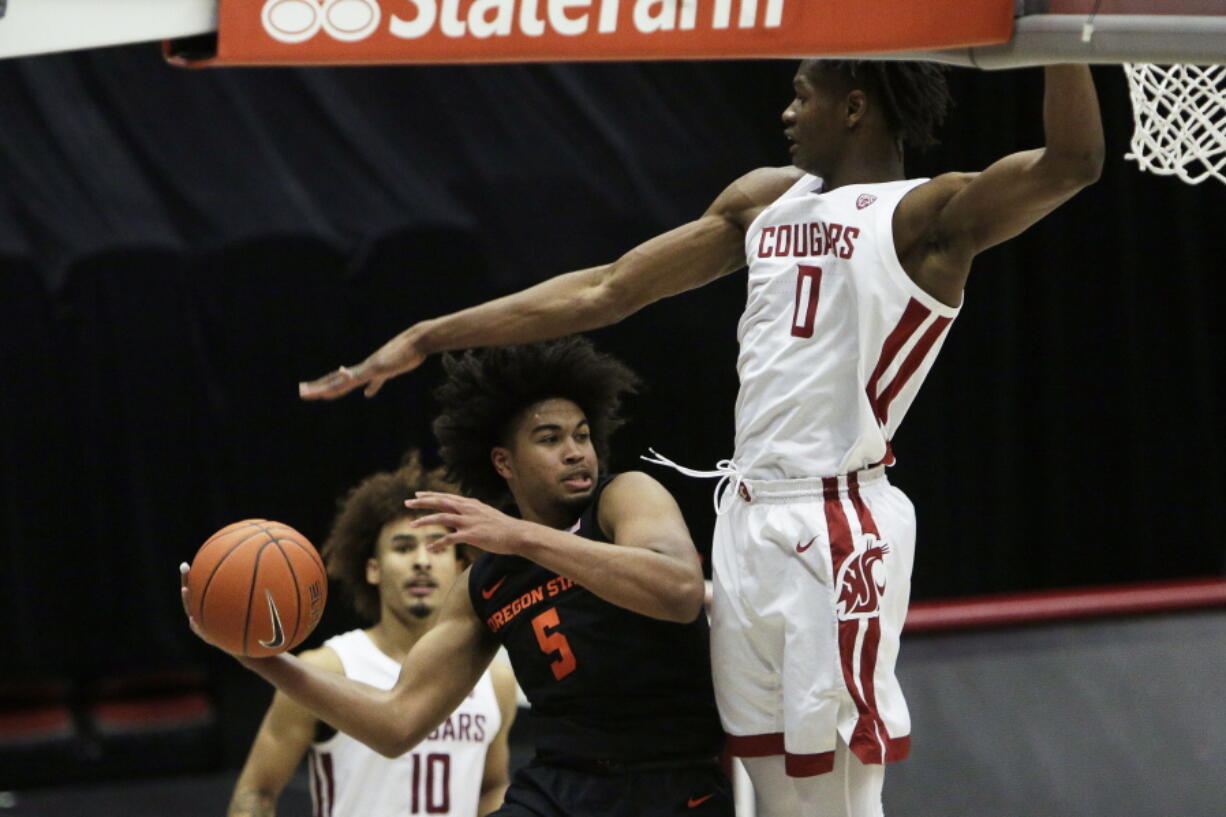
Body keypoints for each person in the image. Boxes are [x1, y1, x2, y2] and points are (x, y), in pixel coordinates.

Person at [296, 60, 1104, 817]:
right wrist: (433, 335)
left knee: (840, 793)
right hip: (745, 519)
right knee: (765, 784)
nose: (787, 111)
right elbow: (607, 288)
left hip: (836, 520)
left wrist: (1070, 39)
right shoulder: (763, 201)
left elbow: (1072, 163)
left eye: (803, 92)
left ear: (854, 106)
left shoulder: (927, 217)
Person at [187, 337, 733, 817]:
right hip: (563, 786)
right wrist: (254, 655)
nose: (575, 452)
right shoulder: (487, 584)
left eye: (582, 435)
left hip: (670, 777)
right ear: (503, 461)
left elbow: (679, 592)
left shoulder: (623, 498)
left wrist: (522, 536)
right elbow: (398, 723)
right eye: (550, 439)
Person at [224, 453, 518, 817]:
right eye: (404, 546)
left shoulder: (495, 678)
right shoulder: (328, 667)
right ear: (373, 570)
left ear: (461, 566)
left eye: (437, 545)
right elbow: (256, 792)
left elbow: (491, 787)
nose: (422, 561)